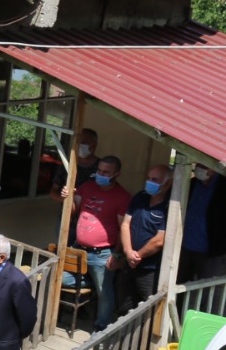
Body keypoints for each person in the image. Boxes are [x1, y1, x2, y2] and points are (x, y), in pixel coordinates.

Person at [69, 155, 130, 329]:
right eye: (99, 171)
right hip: (78, 249)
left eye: (106, 172)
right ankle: (91, 282)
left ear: (116, 174)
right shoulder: (87, 187)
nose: (101, 174)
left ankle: (101, 327)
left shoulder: (122, 197)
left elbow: (122, 228)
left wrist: (117, 254)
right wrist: (68, 197)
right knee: (63, 279)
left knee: (105, 292)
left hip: (103, 253)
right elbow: (73, 211)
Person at [120, 163, 173, 309]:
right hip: (130, 264)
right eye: (148, 178)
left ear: (167, 183)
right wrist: (128, 252)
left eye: (155, 179)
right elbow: (125, 225)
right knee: (125, 305)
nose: (150, 182)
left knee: (147, 307)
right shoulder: (140, 197)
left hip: (150, 269)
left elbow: (160, 240)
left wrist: (137, 256)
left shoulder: (170, 206)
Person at [180, 164, 226, 281]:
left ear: (215, 169)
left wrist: (223, 242)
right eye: (198, 165)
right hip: (184, 247)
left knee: (205, 291)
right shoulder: (192, 184)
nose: (199, 168)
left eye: (204, 166)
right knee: (179, 286)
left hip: (209, 250)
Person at [49, 127, 100, 199]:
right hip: (67, 209)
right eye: (78, 142)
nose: (79, 145)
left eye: (83, 143)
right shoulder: (67, 165)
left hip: (90, 209)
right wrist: (65, 199)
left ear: (94, 145)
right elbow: (53, 191)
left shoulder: (102, 167)